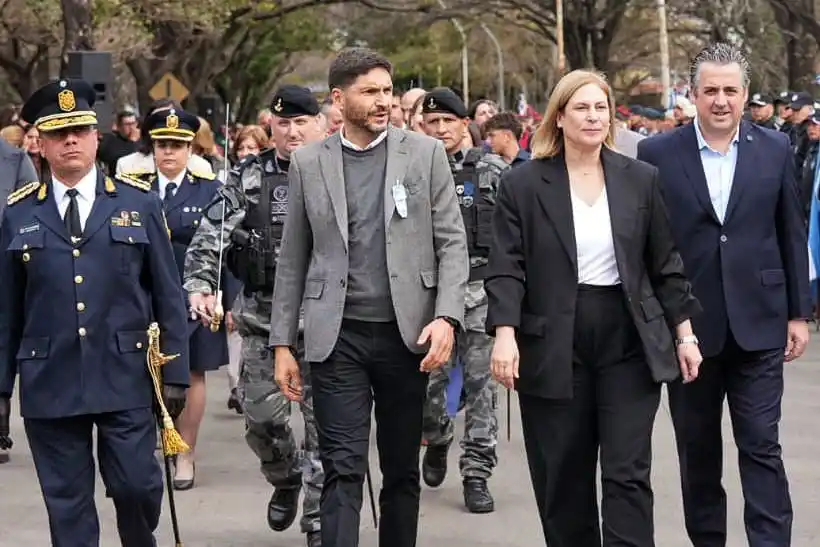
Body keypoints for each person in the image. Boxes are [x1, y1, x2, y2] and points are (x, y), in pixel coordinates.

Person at [485, 69, 702, 547]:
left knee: (627, 473)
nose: (593, 116)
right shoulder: (523, 184)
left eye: (601, 107)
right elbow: (505, 267)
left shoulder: (640, 179)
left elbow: (665, 265)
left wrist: (684, 335)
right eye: (581, 107)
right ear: (559, 117)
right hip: (552, 342)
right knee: (564, 476)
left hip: (628, 339)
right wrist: (505, 334)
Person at [268, 47, 469, 547]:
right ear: (338, 99)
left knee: (400, 470)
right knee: (342, 467)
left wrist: (447, 317)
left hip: (408, 337)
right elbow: (293, 258)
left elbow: (451, 242)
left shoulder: (423, 155)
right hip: (338, 340)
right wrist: (281, 345)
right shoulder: (310, 163)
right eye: (370, 92)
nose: (384, 101)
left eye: (387, 90)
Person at [0, 78, 189, 546]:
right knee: (68, 506)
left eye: (80, 130)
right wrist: (0, 388)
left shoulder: (136, 202)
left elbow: (167, 293)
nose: (70, 140)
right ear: (39, 144)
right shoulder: (17, 214)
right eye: (58, 133)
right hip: (51, 377)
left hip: (124, 372)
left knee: (137, 486)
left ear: (96, 137)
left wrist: (178, 371)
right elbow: (6, 311)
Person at [637, 43, 812, 547]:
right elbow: (653, 245)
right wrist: (668, 324)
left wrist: (798, 313)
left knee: (761, 446)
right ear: (693, 95)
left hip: (761, 324)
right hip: (690, 332)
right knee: (698, 453)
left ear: (746, 94)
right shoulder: (657, 154)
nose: (720, 100)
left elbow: (790, 232)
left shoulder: (776, 149)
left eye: (730, 91)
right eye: (709, 90)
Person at [183, 85, 326, 547]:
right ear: (272, 128)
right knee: (262, 419)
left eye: (301, 121)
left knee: (328, 429)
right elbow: (212, 234)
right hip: (265, 319)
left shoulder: (342, 170)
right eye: (283, 123)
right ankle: (285, 477)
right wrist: (203, 285)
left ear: (319, 123)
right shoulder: (246, 176)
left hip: (329, 318)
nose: (292, 131)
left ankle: (319, 521)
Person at [122, 107, 238, 490]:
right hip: (143, 295)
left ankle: (185, 452)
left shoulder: (210, 191)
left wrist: (231, 300)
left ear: (191, 149)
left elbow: (226, 249)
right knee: (141, 373)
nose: (168, 152)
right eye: (161, 145)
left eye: (177, 145)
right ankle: (150, 444)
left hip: (196, 297)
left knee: (192, 373)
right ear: (151, 148)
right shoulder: (132, 189)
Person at [418, 86, 506, 513]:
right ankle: (437, 438)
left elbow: (516, 233)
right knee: (429, 388)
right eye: (431, 122)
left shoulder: (491, 170)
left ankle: (477, 472)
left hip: (482, 293)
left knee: (481, 387)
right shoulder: (410, 170)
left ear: (463, 124)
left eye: (447, 122)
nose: (439, 130)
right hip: (429, 297)